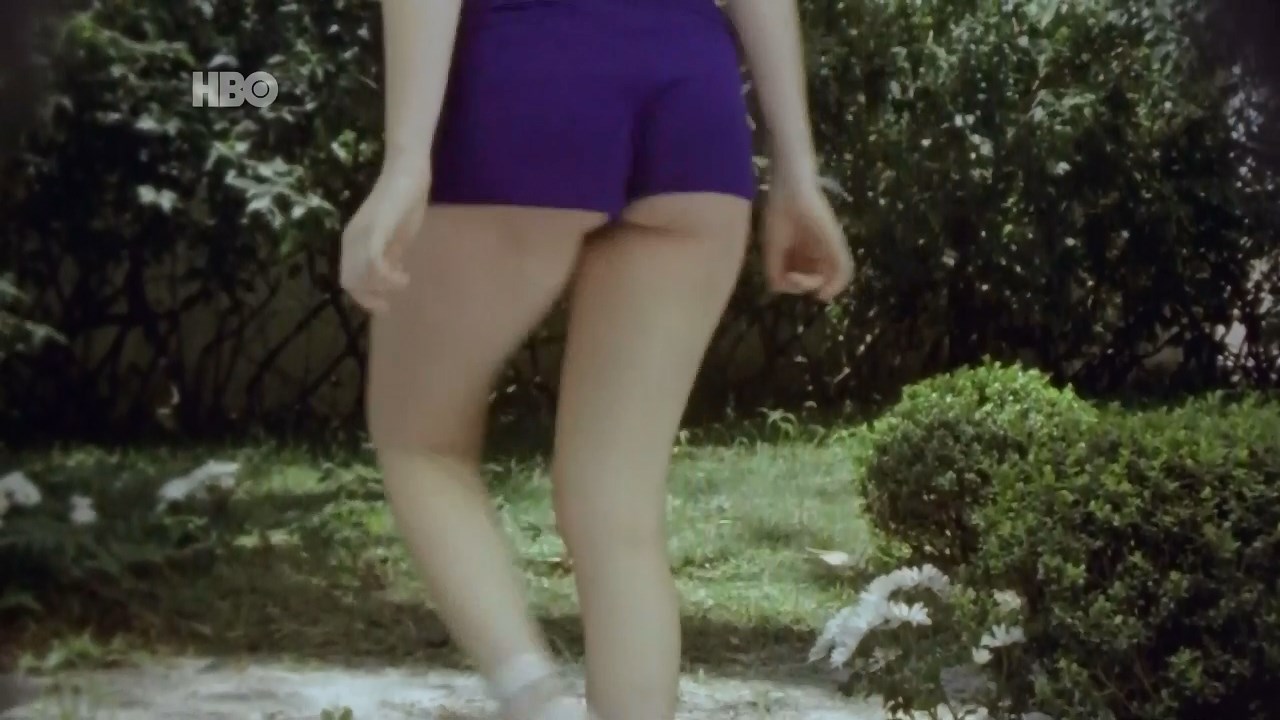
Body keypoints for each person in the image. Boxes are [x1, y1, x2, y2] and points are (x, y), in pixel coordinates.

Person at [339, 1, 853, 718]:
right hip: (692, 95)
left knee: (419, 443)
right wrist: (797, 170)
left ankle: (534, 699)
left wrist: (404, 162)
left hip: (526, 76)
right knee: (619, 507)